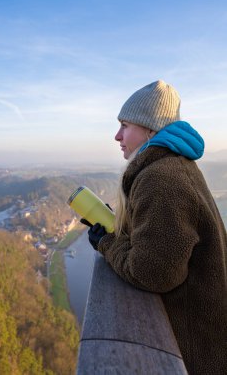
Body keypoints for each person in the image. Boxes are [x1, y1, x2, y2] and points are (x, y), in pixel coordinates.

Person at [83, 80, 227, 375]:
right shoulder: (173, 166)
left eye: (125, 125)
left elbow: (154, 273)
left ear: (150, 129)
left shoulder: (161, 178)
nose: (117, 135)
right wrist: (121, 225)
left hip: (195, 347)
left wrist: (107, 243)